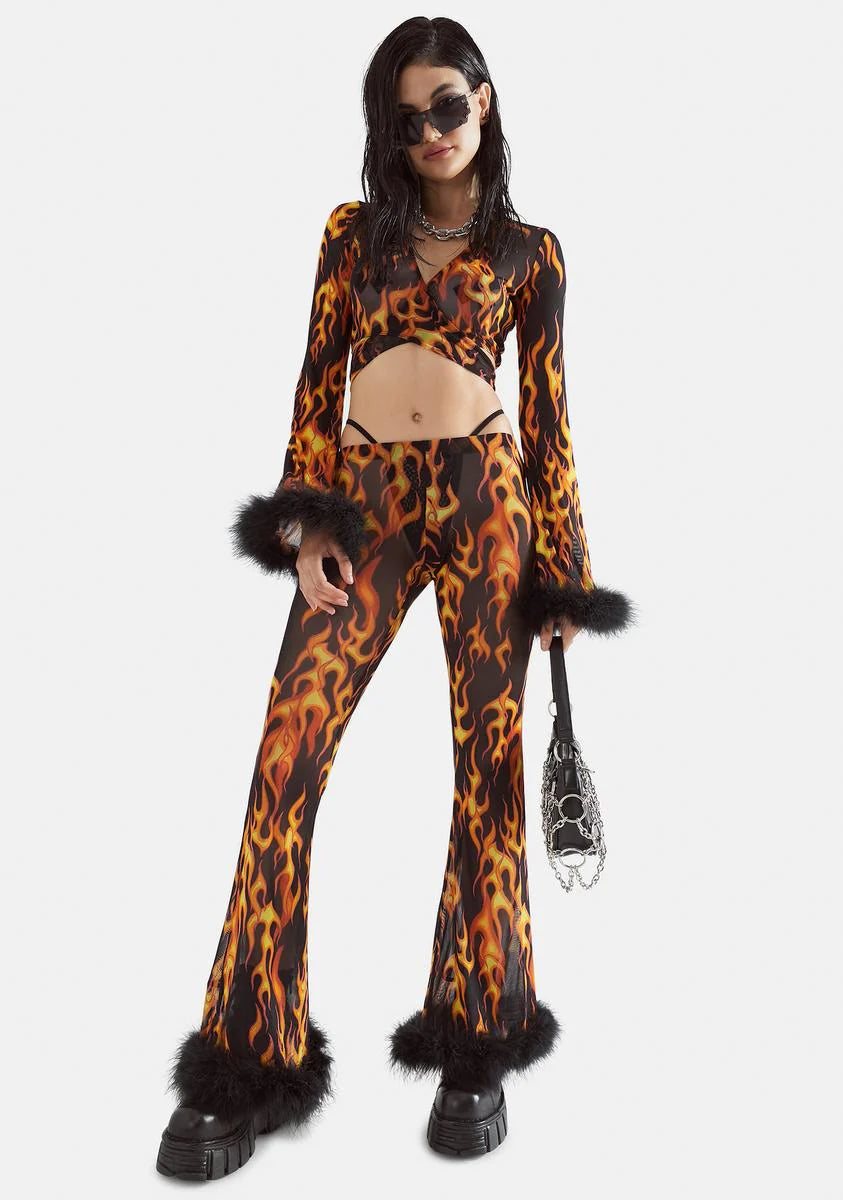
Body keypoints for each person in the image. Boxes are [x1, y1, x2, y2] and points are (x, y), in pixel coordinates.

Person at [156, 16, 633, 1179]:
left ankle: (477, 1040)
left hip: (486, 504)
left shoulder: (532, 254)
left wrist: (563, 574)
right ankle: (248, 1058)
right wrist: (306, 523)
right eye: (406, 118)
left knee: (489, 769)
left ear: (485, 100)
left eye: (447, 108)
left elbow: (551, 422)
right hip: (363, 506)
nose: (430, 133)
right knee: (286, 756)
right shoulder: (350, 234)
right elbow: (315, 384)